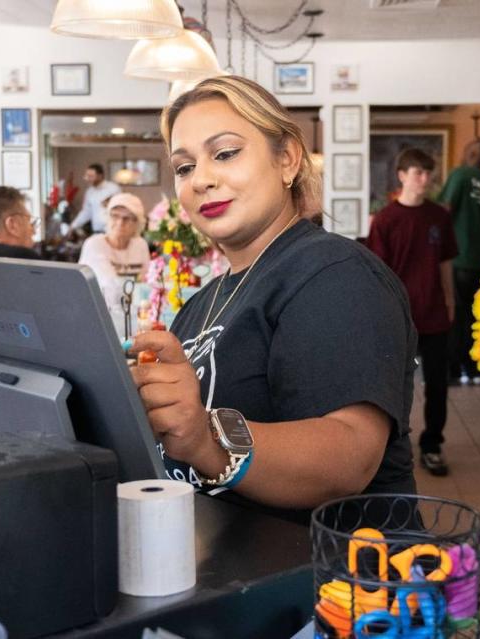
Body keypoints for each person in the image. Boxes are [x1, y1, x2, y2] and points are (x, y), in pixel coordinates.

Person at [127, 75, 418, 524]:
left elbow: (349, 456)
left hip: (330, 580)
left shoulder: (333, 273)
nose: (201, 179)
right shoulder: (203, 302)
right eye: (184, 167)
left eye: (225, 154)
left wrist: (205, 437)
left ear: (286, 159)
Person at [366, 148, 457, 477]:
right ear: (402, 175)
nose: (425, 179)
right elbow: (378, 274)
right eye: (418, 172)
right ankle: (391, 447)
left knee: (437, 385)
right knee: (393, 385)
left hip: (435, 314)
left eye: (428, 173)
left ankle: (432, 445)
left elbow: (446, 263)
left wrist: (450, 301)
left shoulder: (439, 217)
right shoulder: (386, 220)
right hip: (399, 319)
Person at [439, 139, 480, 385]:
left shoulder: (461, 175)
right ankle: (472, 368)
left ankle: (454, 368)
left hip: (458, 257)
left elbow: (445, 210)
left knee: (456, 313)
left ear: (470, 152)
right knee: (476, 316)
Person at [79, 192, 151, 281]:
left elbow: (147, 279)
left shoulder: (140, 244)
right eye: (115, 216)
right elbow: (109, 285)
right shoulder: (95, 244)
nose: (120, 223)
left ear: (137, 223)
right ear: (107, 217)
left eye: (127, 218)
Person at [67, 163, 122, 235]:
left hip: (112, 230)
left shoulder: (113, 188)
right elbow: (86, 212)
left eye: (91, 176)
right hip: (97, 231)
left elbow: (121, 208)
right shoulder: (89, 192)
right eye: (87, 176)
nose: (88, 179)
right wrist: (73, 226)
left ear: (100, 176)